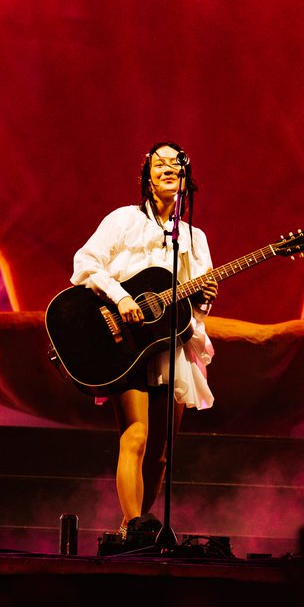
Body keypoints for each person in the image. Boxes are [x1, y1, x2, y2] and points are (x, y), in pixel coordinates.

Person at [70, 141, 218, 544]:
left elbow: (196, 304)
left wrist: (204, 298)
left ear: (185, 176)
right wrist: (120, 297)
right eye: (159, 163)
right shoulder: (122, 220)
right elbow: (84, 264)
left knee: (162, 452)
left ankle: (138, 530)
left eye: (176, 163)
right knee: (135, 434)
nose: (168, 168)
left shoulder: (193, 236)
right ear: (147, 176)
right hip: (124, 338)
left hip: (168, 340)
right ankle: (133, 524)